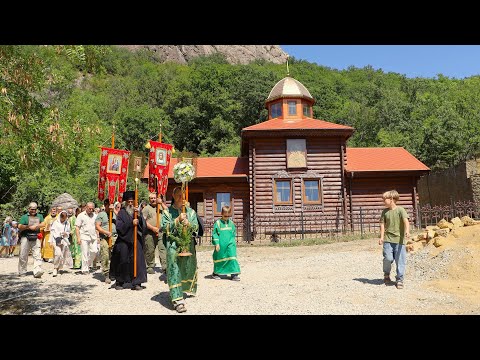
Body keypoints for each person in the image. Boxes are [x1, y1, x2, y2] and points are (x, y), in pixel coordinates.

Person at [161, 186, 199, 313]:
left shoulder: (191, 212)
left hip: (188, 246)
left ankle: (182, 289)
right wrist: (176, 220)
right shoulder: (167, 212)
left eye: (182, 195)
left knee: (186, 268)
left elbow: (196, 227)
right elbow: (164, 228)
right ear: (173, 196)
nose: (180, 197)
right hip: (173, 246)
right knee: (174, 270)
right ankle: (177, 300)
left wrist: (189, 224)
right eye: (178, 195)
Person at [109, 191, 147, 290]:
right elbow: (119, 227)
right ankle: (120, 281)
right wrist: (131, 223)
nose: (130, 204)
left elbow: (144, 226)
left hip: (135, 239)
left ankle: (137, 282)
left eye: (132, 201)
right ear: (125, 202)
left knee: (138, 260)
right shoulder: (121, 213)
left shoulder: (137, 213)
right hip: (124, 239)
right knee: (122, 258)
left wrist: (138, 218)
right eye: (128, 202)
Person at [379, 190, 410, 289]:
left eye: (385, 199)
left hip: (399, 241)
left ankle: (399, 279)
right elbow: (382, 224)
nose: (383, 201)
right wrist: (381, 237)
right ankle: (386, 274)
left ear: (391, 199)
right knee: (388, 258)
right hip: (388, 240)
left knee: (400, 260)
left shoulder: (401, 210)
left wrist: (407, 231)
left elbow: (406, 221)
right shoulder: (385, 212)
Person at [211, 206, 241, 281]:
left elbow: (233, 233)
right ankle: (216, 273)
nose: (227, 217)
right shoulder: (218, 223)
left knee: (232, 257)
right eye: (225, 216)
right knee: (220, 258)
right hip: (221, 246)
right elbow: (215, 234)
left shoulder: (231, 223)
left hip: (230, 245)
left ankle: (234, 274)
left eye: (228, 216)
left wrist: (233, 242)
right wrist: (217, 243)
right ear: (221, 214)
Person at [17, 202, 45, 278]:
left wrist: (36, 225)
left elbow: (43, 224)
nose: (33, 211)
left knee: (37, 254)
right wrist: (28, 227)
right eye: (32, 209)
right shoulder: (24, 217)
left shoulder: (40, 216)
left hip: (36, 237)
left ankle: (37, 271)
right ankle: (22, 271)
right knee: (23, 254)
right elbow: (19, 226)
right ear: (29, 209)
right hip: (25, 237)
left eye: (35, 209)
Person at [142, 192, 167, 274]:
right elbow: (143, 221)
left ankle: (165, 266)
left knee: (162, 248)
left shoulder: (160, 207)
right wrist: (152, 228)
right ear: (149, 199)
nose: (153, 200)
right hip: (150, 233)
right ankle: (150, 266)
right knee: (150, 250)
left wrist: (161, 203)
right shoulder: (146, 209)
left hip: (161, 232)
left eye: (154, 198)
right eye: (151, 198)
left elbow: (168, 212)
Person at [95, 199, 116, 284]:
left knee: (115, 255)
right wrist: (106, 232)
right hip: (105, 237)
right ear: (105, 205)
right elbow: (97, 226)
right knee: (105, 255)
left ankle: (114, 272)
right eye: (109, 205)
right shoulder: (101, 214)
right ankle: (106, 274)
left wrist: (114, 210)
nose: (110, 206)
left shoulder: (114, 213)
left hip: (115, 236)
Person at [75, 202, 98, 275]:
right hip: (84, 236)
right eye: (89, 208)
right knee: (85, 253)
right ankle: (85, 269)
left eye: (92, 209)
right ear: (86, 208)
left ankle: (87, 265)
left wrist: (98, 237)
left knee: (94, 251)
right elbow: (77, 227)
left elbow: (97, 227)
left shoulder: (95, 216)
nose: (91, 210)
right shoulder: (81, 215)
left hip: (93, 236)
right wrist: (78, 238)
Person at [49, 210, 72, 277]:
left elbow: (68, 231)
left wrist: (66, 233)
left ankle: (59, 267)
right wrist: (50, 241)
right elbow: (52, 232)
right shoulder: (55, 222)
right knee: (57, 254)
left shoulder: (67, 223)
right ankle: (55, 268)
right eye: (62, 217)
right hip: (55, 240)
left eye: (64, 217)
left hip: (64, 240)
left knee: (62, 255)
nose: (63, 219)